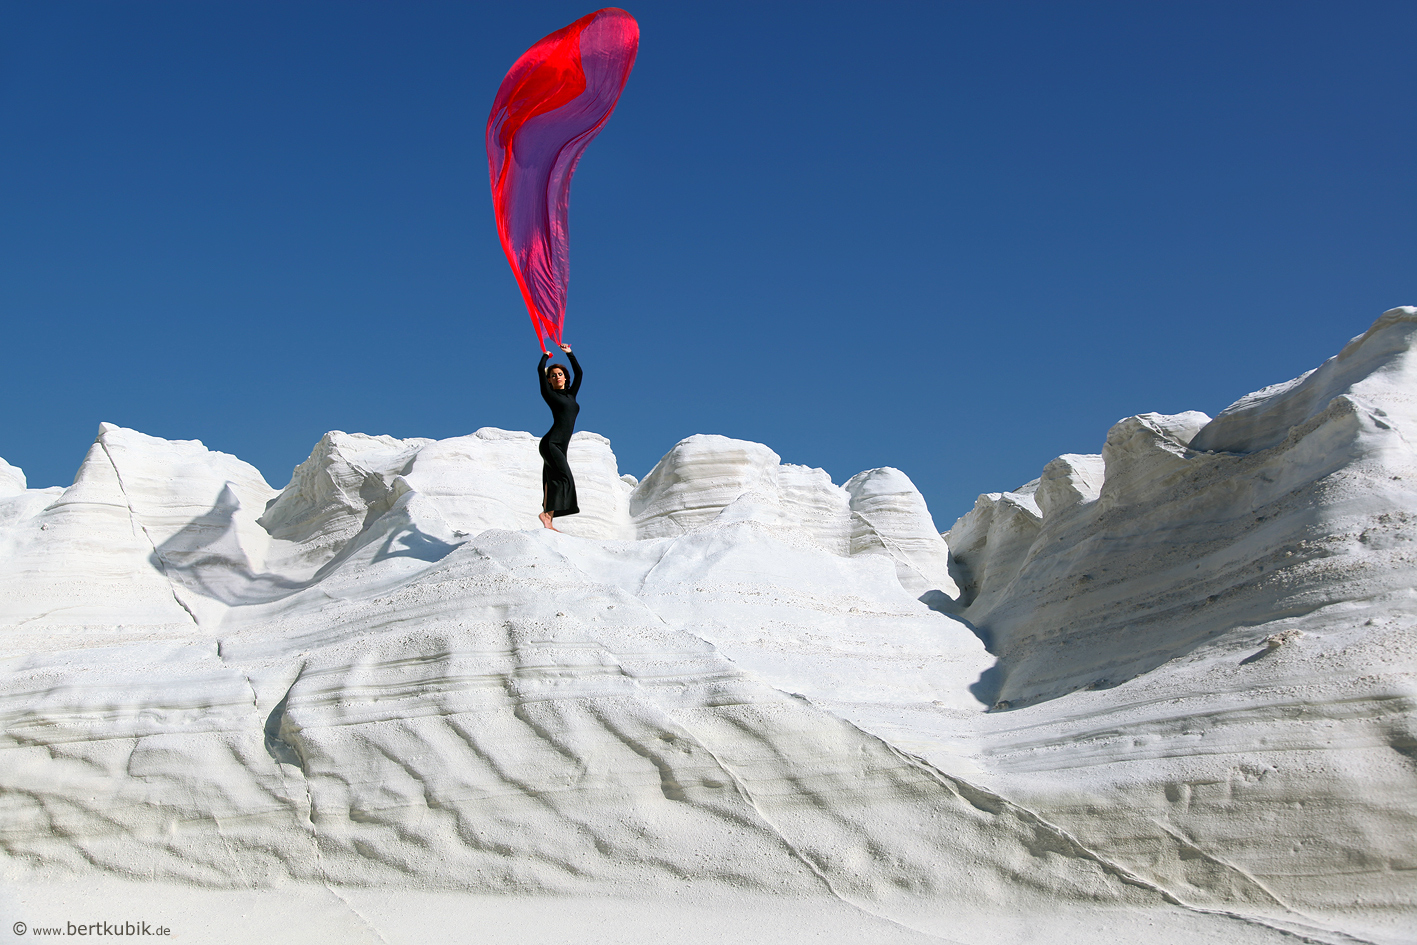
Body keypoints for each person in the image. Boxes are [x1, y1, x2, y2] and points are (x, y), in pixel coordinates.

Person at [537, 342, 581, 530]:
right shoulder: (549, 395)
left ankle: (548, 519)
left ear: (565, 377)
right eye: (553, 375)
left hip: (561, 445)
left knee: (552, 479)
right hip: (551, 443)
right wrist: (546, 355)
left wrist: (569, 353)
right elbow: (540, 370)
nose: (557, 377)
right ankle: (546, 514)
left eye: (560, 374)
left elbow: (579, 373)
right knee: (564, 478)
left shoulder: (571, 395)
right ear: (549, 380)